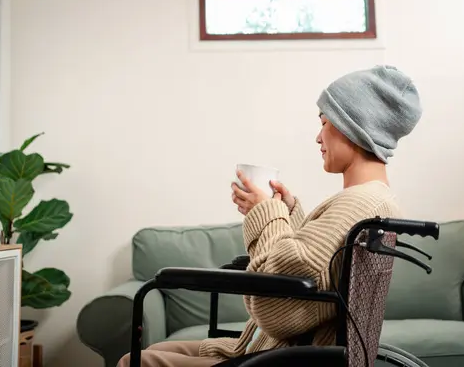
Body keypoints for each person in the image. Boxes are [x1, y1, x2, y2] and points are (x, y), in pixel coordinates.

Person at [117, 65, 423, 367]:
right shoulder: (375, 199)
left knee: (136, 361)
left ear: (353, 127)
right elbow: (320, 272)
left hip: (284, 357)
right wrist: (285, 211)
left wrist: (266, 212)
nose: (318, 137)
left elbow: (276, 309)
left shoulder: (359, 204)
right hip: (273, 350)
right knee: (156, 352)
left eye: (325, 122)